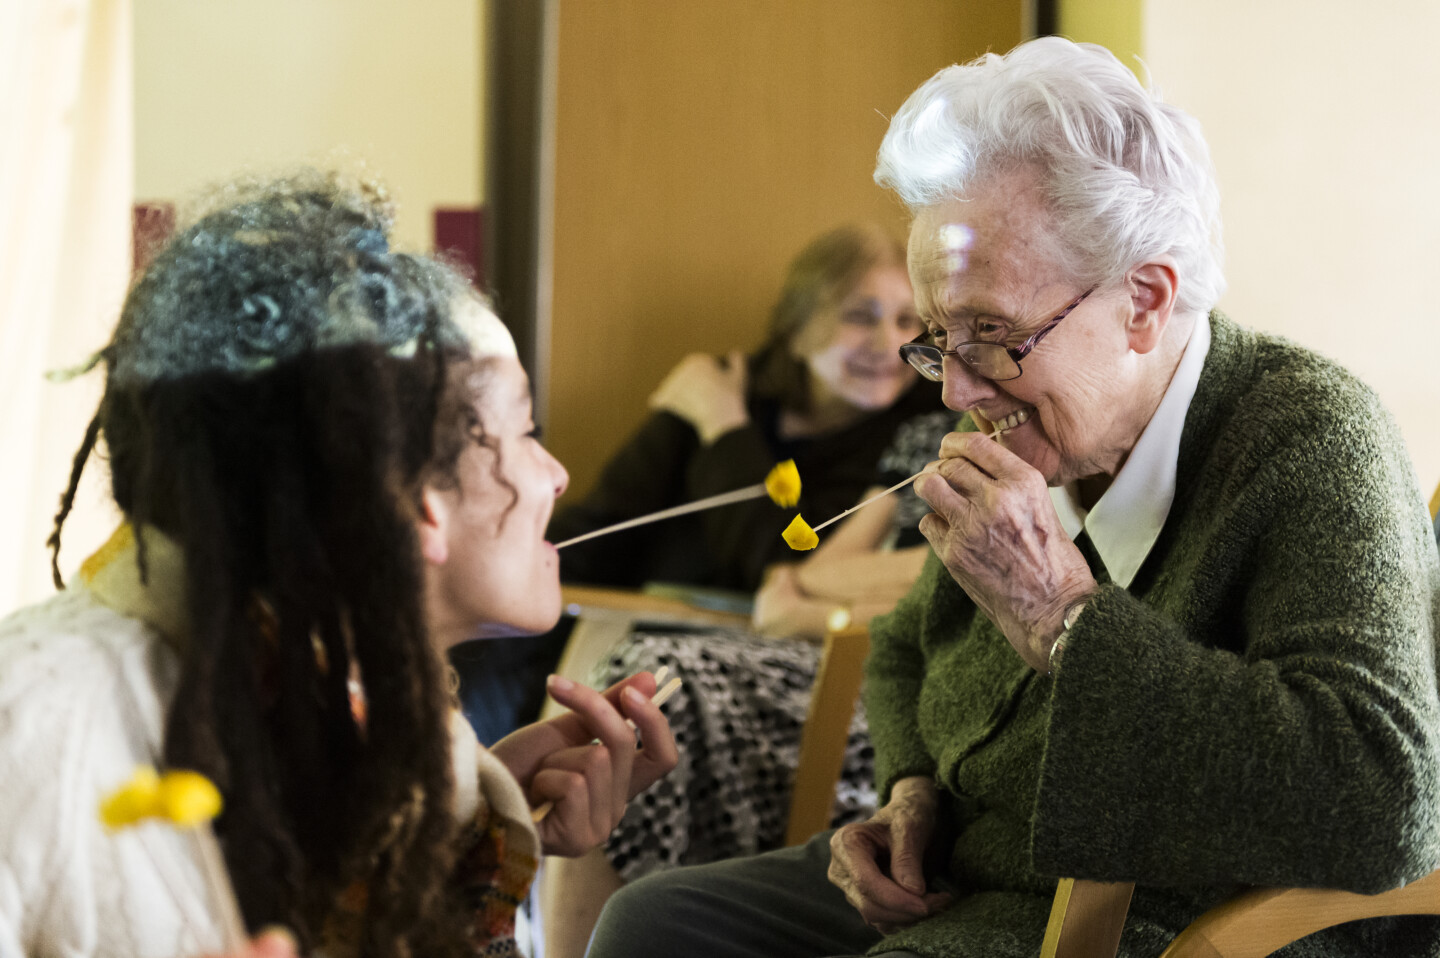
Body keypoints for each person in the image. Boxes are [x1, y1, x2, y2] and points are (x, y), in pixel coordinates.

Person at [587, 38, 1440, 958]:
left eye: (991, 334)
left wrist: (1062, 615)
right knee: (653, 923)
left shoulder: (1308, 439)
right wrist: (911, 794)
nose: (955, 392)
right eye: (939, 340)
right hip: (975, 876)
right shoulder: (1041, 445)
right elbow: (909, 648)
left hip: (1150, 916)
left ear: (1145, 301)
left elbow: (1381, 799)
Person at [0, 171, 677, 958]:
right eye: (525, 430)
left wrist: (482, 810)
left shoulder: (380, 718)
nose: (556, 475)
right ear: (412, 502)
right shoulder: (35, 722)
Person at [542, 410, 952, 958]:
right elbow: (825, 561)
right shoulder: (929, 434)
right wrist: (818, 587)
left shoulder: (1043, 450)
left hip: (889, 673)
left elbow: (920, 574)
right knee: (651, 679)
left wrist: (809, 603)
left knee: (666, 693)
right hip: (825, 649)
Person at [549, 222, 943, 593]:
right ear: (796, 330)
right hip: (623, 617)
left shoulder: (915, 434)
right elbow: (599, 529)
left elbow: (785, 565)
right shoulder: (721, 386)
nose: (888, 344)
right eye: (860, 316)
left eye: (906, 320)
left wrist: (725, 430)